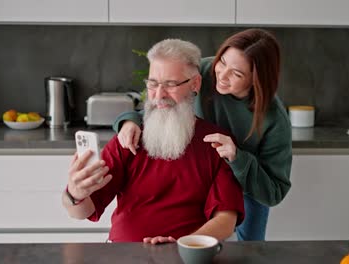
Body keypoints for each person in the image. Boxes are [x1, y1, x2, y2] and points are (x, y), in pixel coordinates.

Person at [113, 28, 292, 241]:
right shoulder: (205, 71)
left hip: (247, 186)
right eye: (222, 62)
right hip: (201, 173)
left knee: (250, 250)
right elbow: (162, 101)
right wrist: (129, 120)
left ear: (257, 79)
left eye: (236, 73)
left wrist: (238, 158)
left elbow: (274, 192)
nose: (222, 76)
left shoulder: (274, 119)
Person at [62, 39, 244, 243]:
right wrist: (74, 194)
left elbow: (226, 220)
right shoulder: (129, 138)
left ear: (195, 84)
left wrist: (184, 244)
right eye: (153, 83)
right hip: (124, 255)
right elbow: (81, 212)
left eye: (171, 84)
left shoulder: (217, 143)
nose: (159, 95)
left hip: (187, 255)